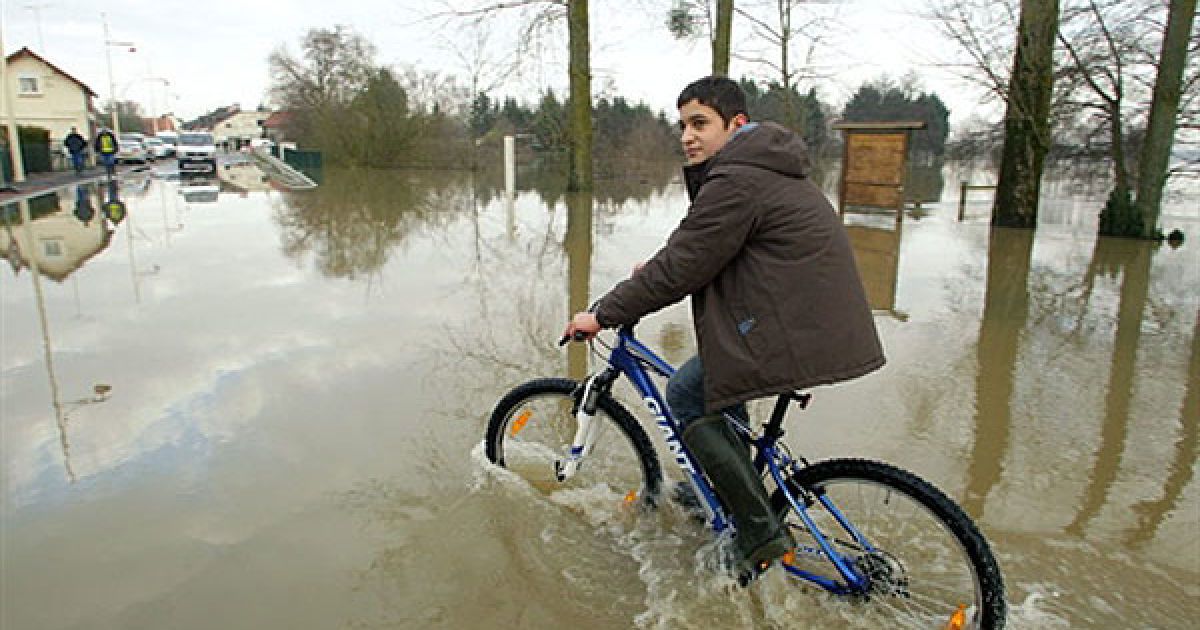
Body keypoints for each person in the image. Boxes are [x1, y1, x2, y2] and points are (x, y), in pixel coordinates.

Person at [563, 76, 885, 576]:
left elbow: (685, 263)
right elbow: (704, 247)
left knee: (689, 395)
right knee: (720, 385)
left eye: (700, 123)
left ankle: (760, 535)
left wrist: (602, 313)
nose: (688, 136)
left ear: (736, 124)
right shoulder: (761, 167)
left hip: (793, 332)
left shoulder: (739, 178)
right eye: (682, 125)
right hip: (809, 324)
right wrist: (656, 270)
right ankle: (717, 488)